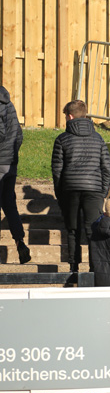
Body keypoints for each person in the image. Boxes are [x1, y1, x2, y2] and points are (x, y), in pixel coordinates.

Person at [52, 100, 110, 273]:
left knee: (72, 230)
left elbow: (57, 170)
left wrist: (59, 192)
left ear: (70, 117)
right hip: (93, 189)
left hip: (70, 189)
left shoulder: (62, 139)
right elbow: (106, 167)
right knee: (93, 231)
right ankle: (95, 269)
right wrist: (102, 191)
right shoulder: (98, 138)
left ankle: (74, 268)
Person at [0, 86, 30, 264]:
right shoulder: (7, 102)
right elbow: (18, 134)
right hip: (10, 164)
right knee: (9, 204)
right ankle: (20, 242)